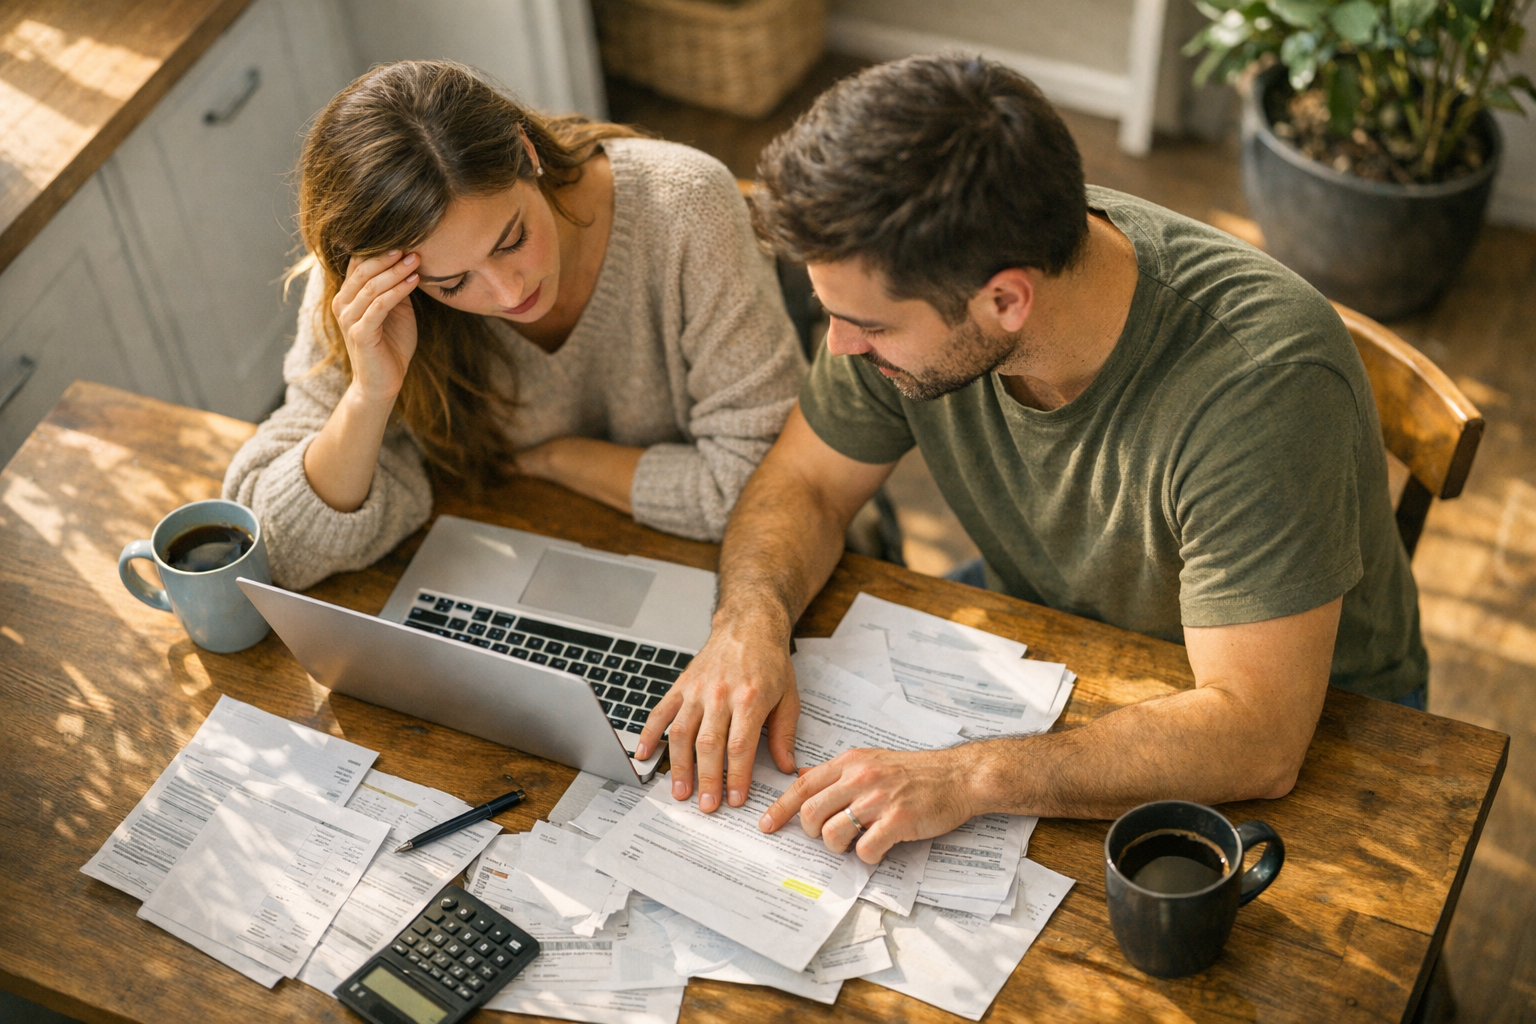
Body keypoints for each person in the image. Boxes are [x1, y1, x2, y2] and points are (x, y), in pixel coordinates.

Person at [633, 55, 1427, 863]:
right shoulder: (906, 278)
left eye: (867, 326)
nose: (838, 346)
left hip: (1326, 725)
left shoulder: (1263, 387)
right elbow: (805, 482)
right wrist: (748, 625)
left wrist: (968, 779)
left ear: (1006, 301)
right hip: (1051, 622)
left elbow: (1257, 735)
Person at [224, 61, 806, 590]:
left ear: (526, 153)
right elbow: (274, 549)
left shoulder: (686, 207)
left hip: (713, 574)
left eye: (513, 240)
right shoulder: (368, 292)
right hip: (501, 569)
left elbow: (765, 488)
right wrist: (369, 395)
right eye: (451, 284)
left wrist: (556, 459)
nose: (509, 293)